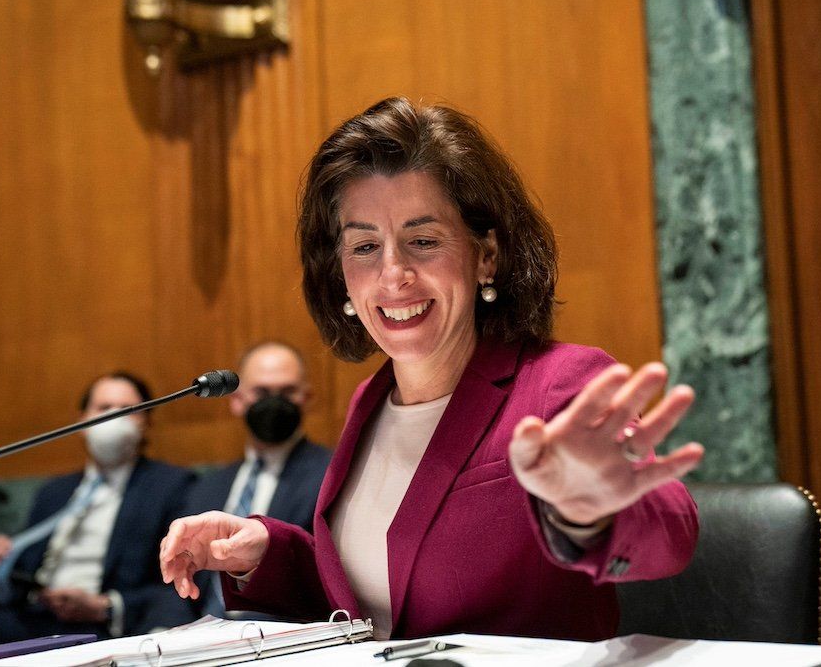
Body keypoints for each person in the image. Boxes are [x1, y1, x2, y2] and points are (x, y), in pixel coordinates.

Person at [159, 97, 706, 641]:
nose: (393, 274)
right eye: (366, 246)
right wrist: (268, 554)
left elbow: (670, 532)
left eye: (422, 241)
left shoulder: (558, 383)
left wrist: (589, 515)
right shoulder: (371, 402)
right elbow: (382, 602)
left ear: (485, 255)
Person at [0, 372, 195, 643]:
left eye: (127, 410)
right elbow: (23, 573)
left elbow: (174, 583)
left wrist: (105, 606)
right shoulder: (53, 491)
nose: (114, 418)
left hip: (100, 626)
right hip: (31, 616)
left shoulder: (171, 486)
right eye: (104, 408)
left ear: (146, 421)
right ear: (83, 420)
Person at [182, 340, 331, 618]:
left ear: (306, 398)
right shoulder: (206, 486)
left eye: (287, 391)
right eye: (261, 392)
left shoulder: (331, 474)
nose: (274, 402)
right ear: (237, 401)